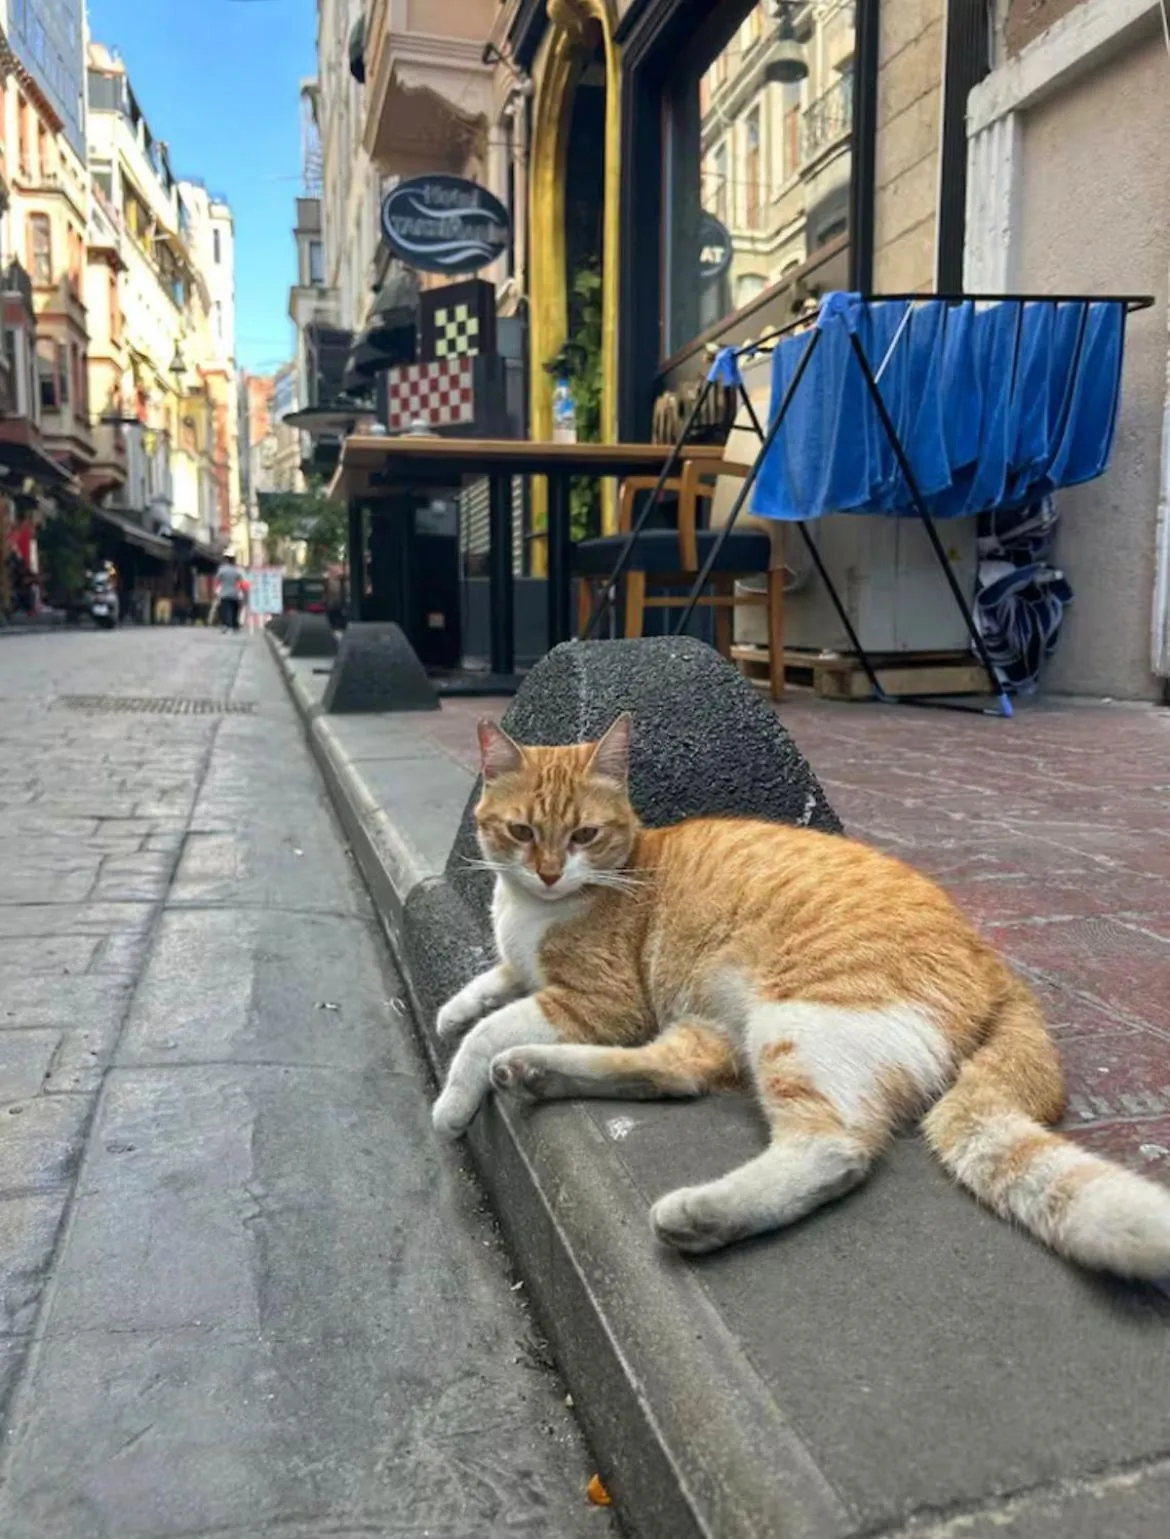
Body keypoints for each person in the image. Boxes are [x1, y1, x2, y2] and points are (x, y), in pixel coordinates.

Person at [215, 552, 243, 632]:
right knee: (234, 609)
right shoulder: (236, 570)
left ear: (226, 560)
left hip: (224, 593)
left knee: (224, 610)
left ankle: (225, 625)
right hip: (235, 593)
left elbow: (218, 580)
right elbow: (240, 580)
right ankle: (235, 626)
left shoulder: (222, 569)